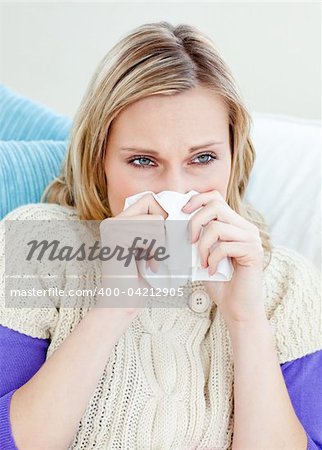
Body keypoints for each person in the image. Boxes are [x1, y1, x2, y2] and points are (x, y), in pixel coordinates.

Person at [0, 21, 321, 450]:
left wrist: (246, 322)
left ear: (234, 157)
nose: (175, 190)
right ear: (100, 162)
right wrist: (112, 309)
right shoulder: (37, 243)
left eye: (203, 158)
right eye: (143, 161)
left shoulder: (286, 284)